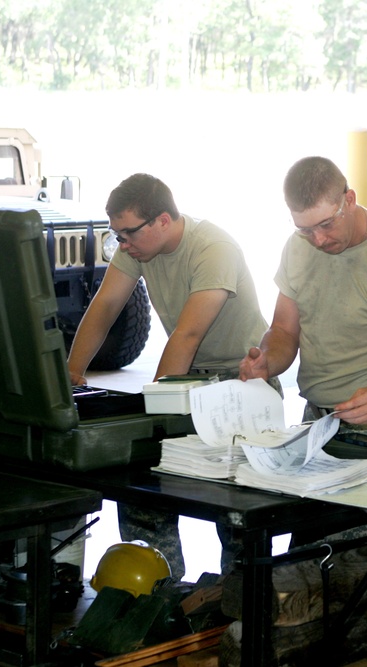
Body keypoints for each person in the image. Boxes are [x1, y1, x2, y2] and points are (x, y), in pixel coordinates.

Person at [68, 172, 277, 579]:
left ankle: (237, 607)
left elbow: (188, 334)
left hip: (241, 384)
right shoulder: (135, 249)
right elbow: (105, 306)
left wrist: (153, 412)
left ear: (163, 220)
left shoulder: (213, 249)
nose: (121, 244)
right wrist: (71, 374)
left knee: (236, 512)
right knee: (143, 490)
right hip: (187, 380)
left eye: (128, 234)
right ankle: (160, 595)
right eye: (117, 235)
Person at [239, 155, 367, 454]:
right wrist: (267, 361)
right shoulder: (297, 247)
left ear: (350, 200)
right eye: (305, 229)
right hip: (315, 420)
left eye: (327, 223)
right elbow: (284, 330)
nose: (318, 239)